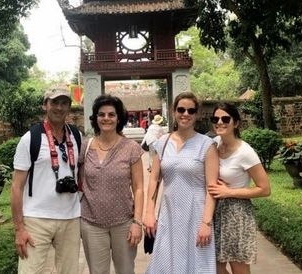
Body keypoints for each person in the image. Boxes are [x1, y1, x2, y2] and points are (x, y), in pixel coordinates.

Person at [143, 92, 219, 274]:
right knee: (166, 263)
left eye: (191, 110)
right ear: (173, 111)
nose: (186, 114)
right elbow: (154, 178)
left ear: (197, 114)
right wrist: (149, 211)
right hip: (169, 215)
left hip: (196, 215)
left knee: (197, 264)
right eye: (181, 109)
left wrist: (206, 223)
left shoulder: (207, 145)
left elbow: (211, 188)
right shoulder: (162, 142)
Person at [10, 87, 81, 274]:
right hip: (36, 219)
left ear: (69, 107)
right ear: (45, 105)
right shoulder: (30, 138)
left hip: (71, 218)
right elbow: (16, 187)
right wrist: (19, 229)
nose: (59, 107)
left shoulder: (76, 135)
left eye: (64, 103)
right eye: (54, 102)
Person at [80, 94, 145, 274]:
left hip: (123, 222)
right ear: (96, 118)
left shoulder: (131, 148)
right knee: (97, 271)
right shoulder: (85, 146)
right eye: (101, 114)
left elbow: (139, 188)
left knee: (125, 270)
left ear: (118, 118)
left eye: (111, 114)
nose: (106, 118)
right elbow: (80, 181)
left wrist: (137, 222)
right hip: (91, 222)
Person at [208, 102, 271, 274]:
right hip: (214, 211)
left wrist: (229, 192)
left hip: (237, 214)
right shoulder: (213, 144)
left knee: (239, 268)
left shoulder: (245, 152)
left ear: (235, 123)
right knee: (214, 267)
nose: (219, 122)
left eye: (225, 118)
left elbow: (264, 189)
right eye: (215, 119)